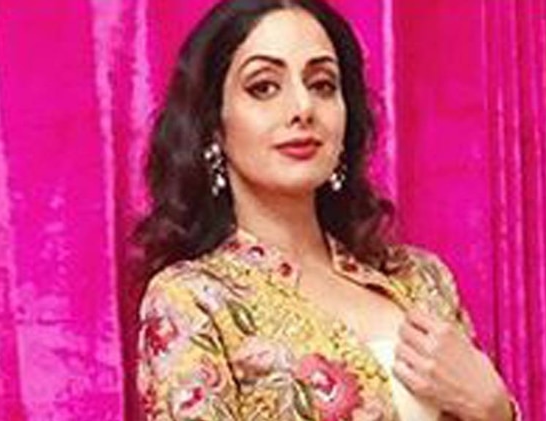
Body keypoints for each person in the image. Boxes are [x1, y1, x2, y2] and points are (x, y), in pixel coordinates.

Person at [133, 0, 519, 419]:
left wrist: (493, 408)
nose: (303, 108)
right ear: (214, 125)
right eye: (264, 87)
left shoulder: (421, 280)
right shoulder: (195, 300)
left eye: (322, 85)